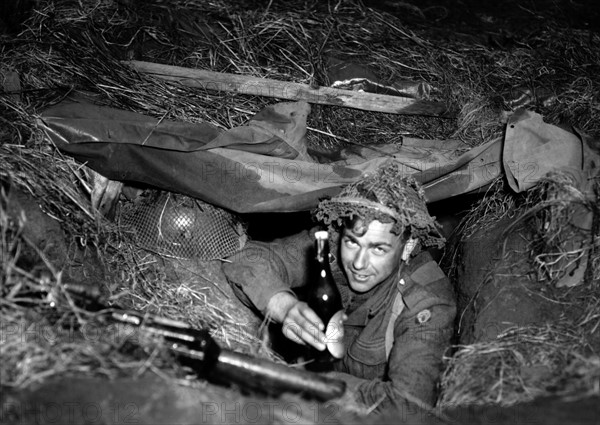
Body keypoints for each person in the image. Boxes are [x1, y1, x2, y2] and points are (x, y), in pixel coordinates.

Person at [222, 162, 456, 414]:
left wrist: (309, 384)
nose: (358, 263)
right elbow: (244, 259)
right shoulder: (330, 247)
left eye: (378, 249)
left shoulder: (427, 303)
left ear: (407, 247)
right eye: (352, 243)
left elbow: (406, 408)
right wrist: (283, 306)